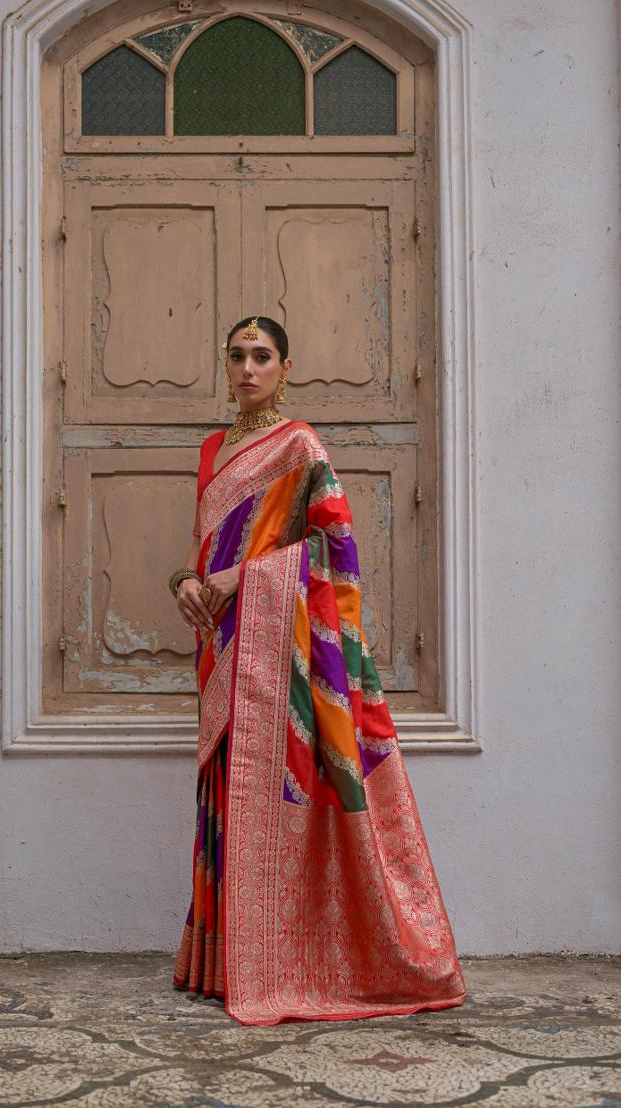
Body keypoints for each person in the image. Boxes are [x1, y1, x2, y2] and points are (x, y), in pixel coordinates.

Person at [169, 315, 466, 1027]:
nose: (247, 368)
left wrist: (248, 574)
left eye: (261, 356)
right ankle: (221, 965)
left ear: (286, 366)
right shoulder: (213, 449)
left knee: (280, 792)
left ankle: (291, 959)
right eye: (236, 355)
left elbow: (336, 553)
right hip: (222, 644)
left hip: (285, 647)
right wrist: (185, 579)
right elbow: (200, 548)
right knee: (224, 792)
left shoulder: (300, 447)